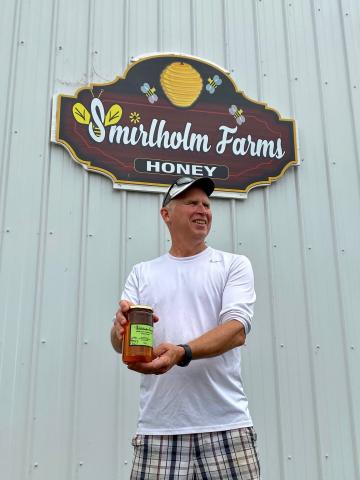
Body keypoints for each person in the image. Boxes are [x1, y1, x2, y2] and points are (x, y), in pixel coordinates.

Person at [111, 176, 260, 479]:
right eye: (192, 202)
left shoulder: (233, 265)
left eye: (206, 204)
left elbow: (236, 330)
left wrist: (182, 352)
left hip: (225, 425)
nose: (203, 210)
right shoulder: (143, 273)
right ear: (166, 214)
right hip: (159, 428)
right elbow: (119, 341)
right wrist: (119, 330)